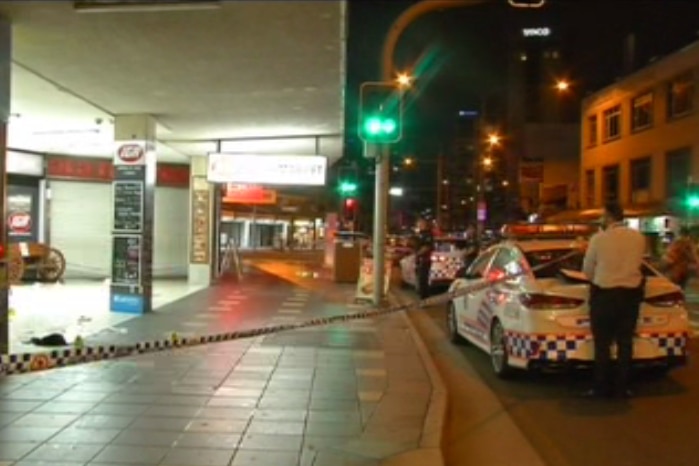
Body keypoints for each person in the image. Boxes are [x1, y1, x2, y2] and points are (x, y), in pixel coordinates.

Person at [582, 201, 646, 399]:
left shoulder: (599, 239)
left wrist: (598, 278)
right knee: (625, 343)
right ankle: (622, 387)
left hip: (605, 296)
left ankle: (601, 387)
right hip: (630, 296)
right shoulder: (638, 238)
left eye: (603, 215)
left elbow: (588, 269)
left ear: (609, 216)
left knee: (603, 345)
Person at [413, 218, 435, 299]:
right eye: (418, 224)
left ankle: (425, 299)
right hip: (420, 260)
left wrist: (418, 254)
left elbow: (427, 247)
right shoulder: (420, 234)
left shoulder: (428, 234)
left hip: (425, 260)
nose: (418, 225)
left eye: (420, 223)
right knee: (420, 280)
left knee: (423, 280)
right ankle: (422, 297)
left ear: (424, 224)